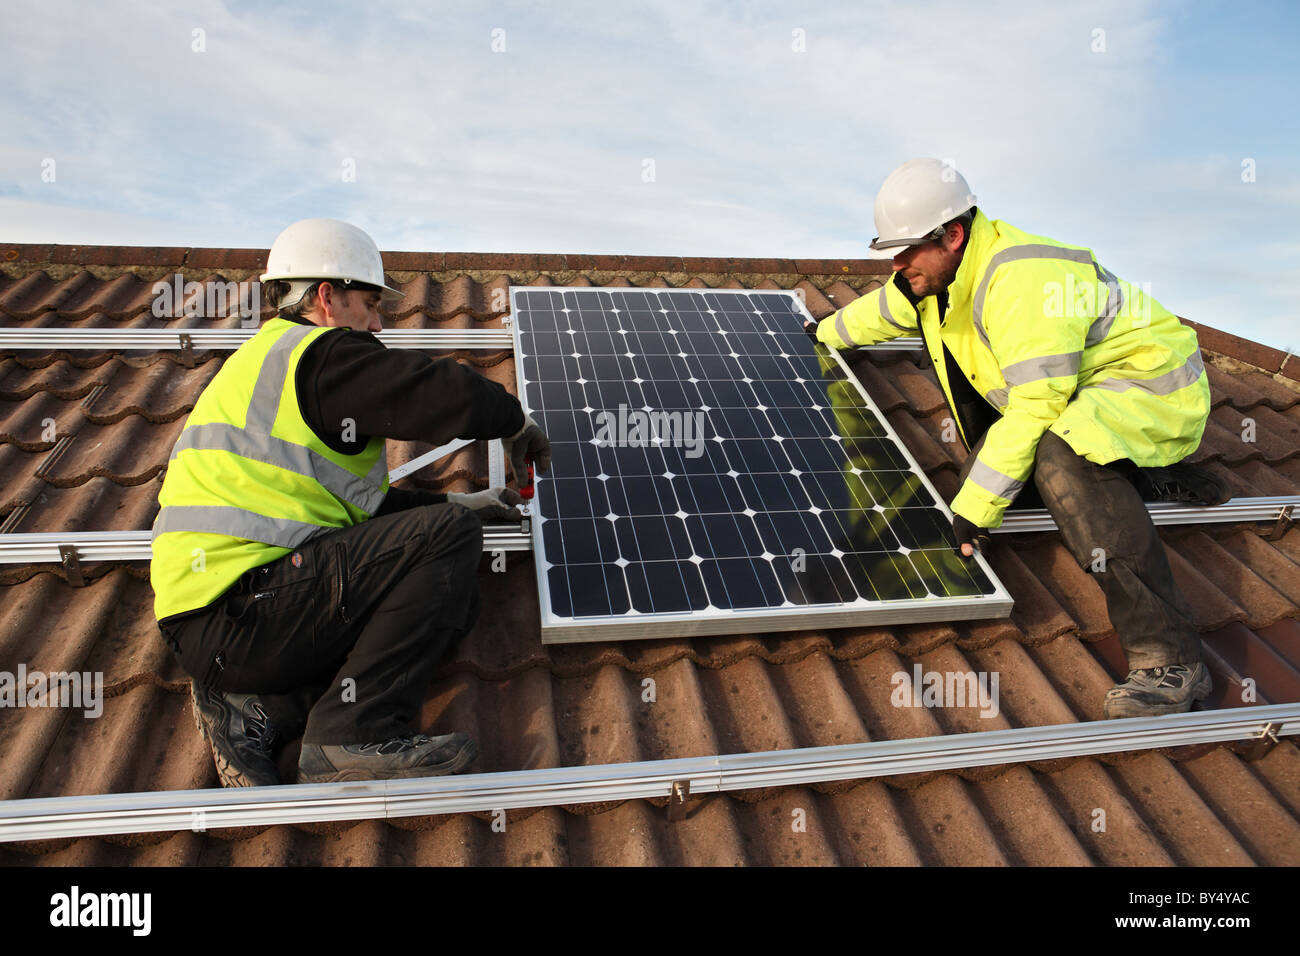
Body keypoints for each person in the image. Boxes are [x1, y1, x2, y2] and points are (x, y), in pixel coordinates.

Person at [808, 159, 1227, 719]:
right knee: (994, 467)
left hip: (1150, 389)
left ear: (952, 234)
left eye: (907, 251)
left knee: (1058, 456)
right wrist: (819, 335)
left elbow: (1036, 407)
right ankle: (1141, 476)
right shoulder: (942, 274)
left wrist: (975, 508)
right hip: (1082, 389)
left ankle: (1171, 661)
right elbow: (885, 310)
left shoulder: (1021, 279)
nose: (897, 264)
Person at [151, 218, 551, 785]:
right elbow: (433, 392)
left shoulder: (265, 363)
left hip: (227, 615)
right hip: (242, 605)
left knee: (442, 555)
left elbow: (346, 525)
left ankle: (261, 708)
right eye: (369, 302)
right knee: (449, 545)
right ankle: (352, 734)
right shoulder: (322, 355)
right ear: (326, 297)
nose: (378, 321)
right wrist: (513, 420)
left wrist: (455, 507)